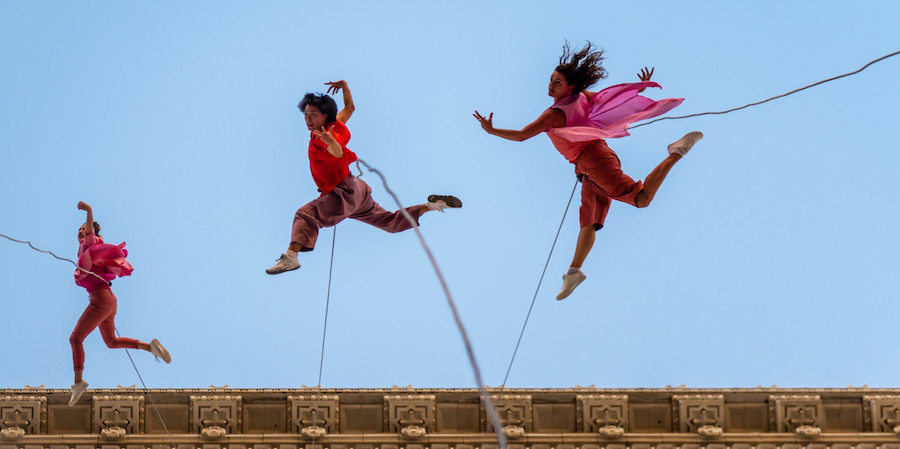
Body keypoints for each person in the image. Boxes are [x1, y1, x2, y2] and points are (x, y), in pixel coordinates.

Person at [474, 42, 703, 300]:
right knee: (589, 222)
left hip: (594, 160)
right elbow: (610, 100)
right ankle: (574, 272)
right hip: (588, 166)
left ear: (569, 87)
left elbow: (522, 136)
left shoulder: (554, 114)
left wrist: (492, 131)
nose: (550, 85)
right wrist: (637, 88)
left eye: (557, 83)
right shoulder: (581, 96)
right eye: (551, 80)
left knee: (641, 199)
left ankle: (676, 152)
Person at [266, 80, 462, 275]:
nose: (308, 119)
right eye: (306, 114)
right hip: (358, 192)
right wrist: (344, 86)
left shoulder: (322, 136)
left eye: (313, 115)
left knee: (305, 214)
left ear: (324, 116)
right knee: (390, 223)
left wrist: (330, 142)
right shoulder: (337, 124)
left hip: (344, 193)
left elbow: (337, 152)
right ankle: (431, 206)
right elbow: (350, 108)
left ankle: (291, 258)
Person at [69, 201, 171, 406]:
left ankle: (78, 383)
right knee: (111, 342)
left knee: (75, 339)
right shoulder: (87, 252)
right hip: (108, 300)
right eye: (78, 231)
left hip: (100, 300)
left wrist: (88, 211)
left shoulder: (88, 244)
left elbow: (90, 230)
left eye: (83, 229)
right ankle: (149, 347)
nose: (81, 232)